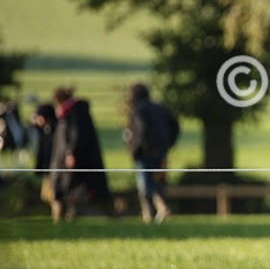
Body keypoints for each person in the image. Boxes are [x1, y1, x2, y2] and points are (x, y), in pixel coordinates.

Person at [48, 86, 111, 222]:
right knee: (65, 191)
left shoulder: (76, 113)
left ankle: (72, 215)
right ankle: (63, 218)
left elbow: (78, 134)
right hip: (67, 164)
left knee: (75, 189)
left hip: (77, 164)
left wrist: (71, 152)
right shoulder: (69, 114)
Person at [123, 82, 180, 223]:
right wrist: (167, 145)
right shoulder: (160, 108)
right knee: (155, 181)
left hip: (145, 152)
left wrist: (134, 150)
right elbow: (175, 126)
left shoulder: (138, 111)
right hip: (161, 151)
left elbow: (141, 131)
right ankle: (155, 211)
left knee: (145, 184)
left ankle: (154, 212)